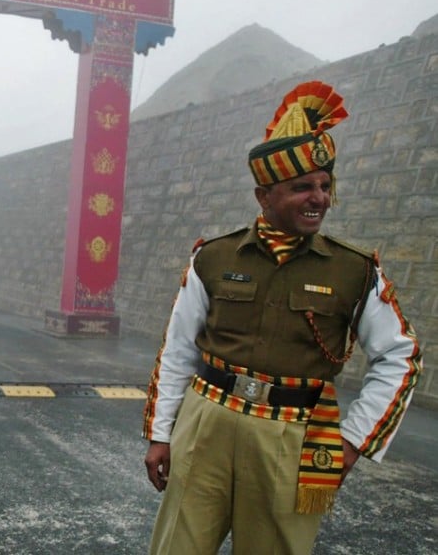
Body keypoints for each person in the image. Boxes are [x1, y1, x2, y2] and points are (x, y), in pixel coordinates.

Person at [141, 81, 422, 555]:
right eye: (301, 188)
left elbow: (401, 356)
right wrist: (160, 434)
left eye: (325, 186)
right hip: (206, 423)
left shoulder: (354, 270)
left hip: (292, 437)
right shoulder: (213, 257)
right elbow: (178, 351)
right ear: (263, 196)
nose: (319, 198)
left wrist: (352, 441)